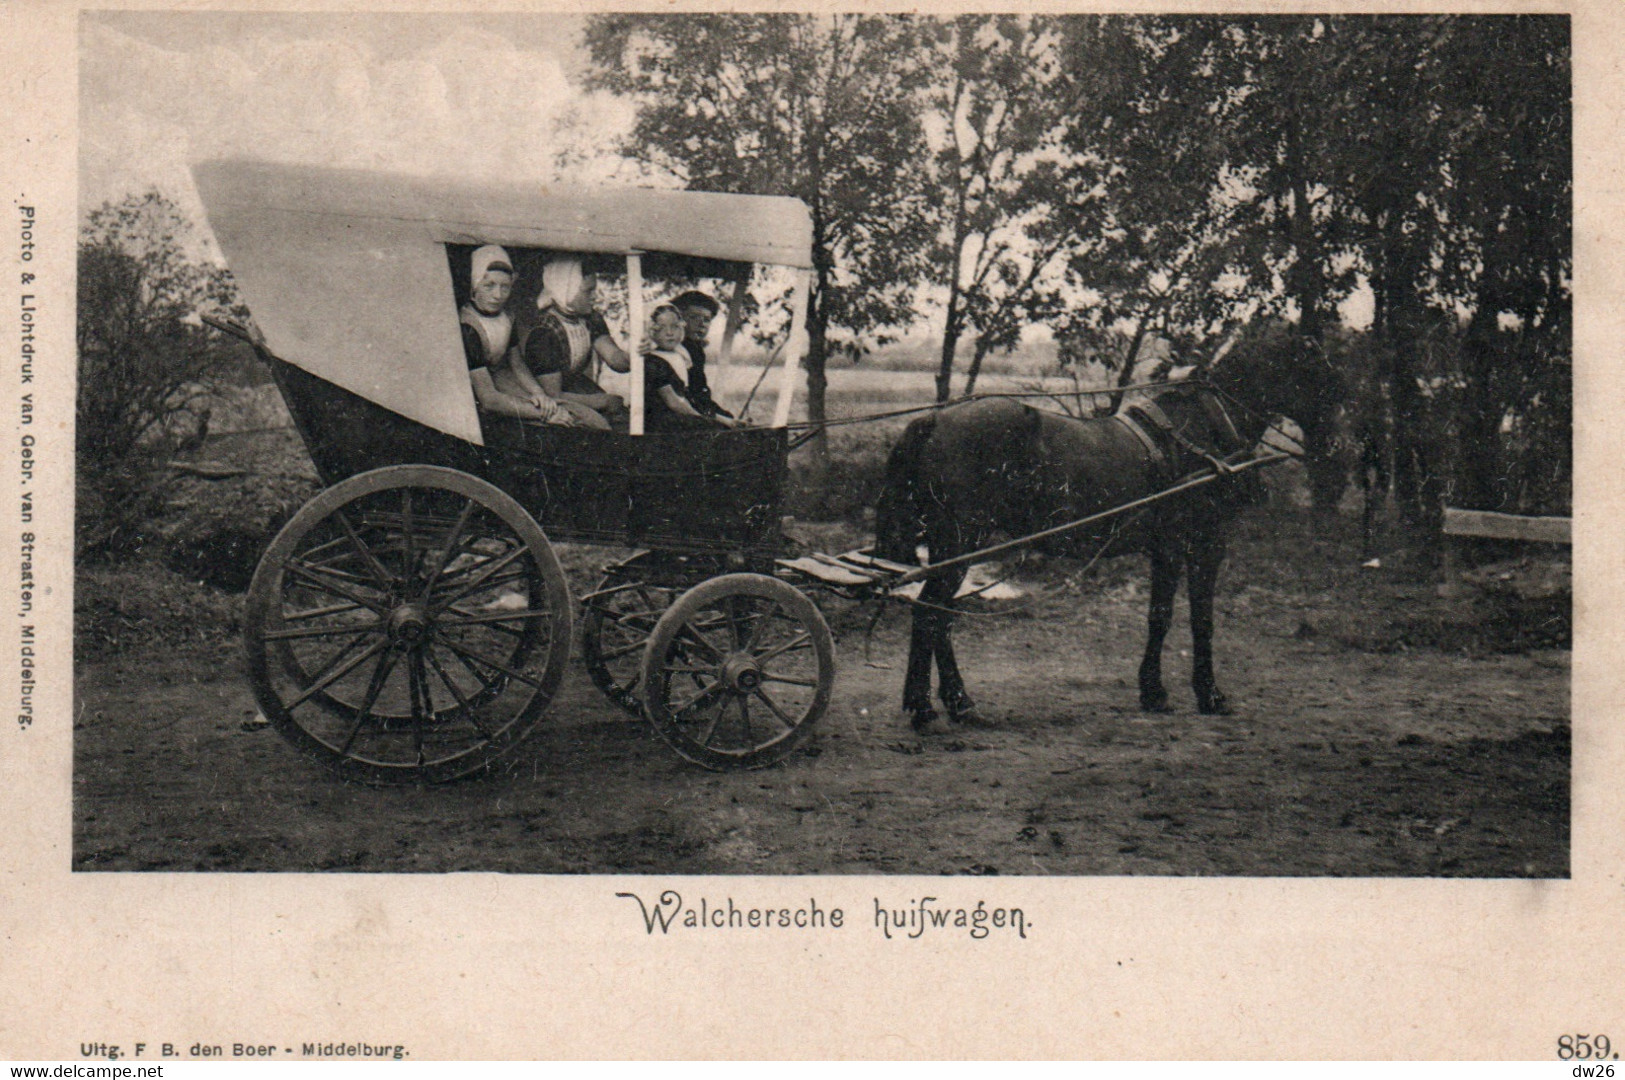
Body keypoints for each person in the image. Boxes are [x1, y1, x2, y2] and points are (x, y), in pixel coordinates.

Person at [459, 245, 578, 426]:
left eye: (505, 287)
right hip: (479, 394)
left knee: (572, 411)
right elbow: (488, 398)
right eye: (489, 286)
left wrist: (538, 393)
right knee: (553, 420)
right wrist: (543, 414)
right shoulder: (468, 326)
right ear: (475, 286)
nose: (498, 295)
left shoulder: (506, 316)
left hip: (503, 379)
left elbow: (516, 362)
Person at [519, 256, 627, 429]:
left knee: (622, 418)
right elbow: (553, 394)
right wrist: (601, 401)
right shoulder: (544, 333)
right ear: (566, 290)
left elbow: (615, 358)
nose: (594, 296)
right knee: (600, 426)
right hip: (550, 399)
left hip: (576, 387)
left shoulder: (590, 319)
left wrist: (635, 356)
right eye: (588, 291)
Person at [640, 304, 740, 433]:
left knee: (724, 425)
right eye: (662, 328)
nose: (670, 333)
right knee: (709, 428)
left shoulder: (681, 356)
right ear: (653, 330)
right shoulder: (653, 362)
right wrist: (704, 418)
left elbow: (688, 398)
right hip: (660, 419)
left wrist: (722, 419)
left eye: (675, 327)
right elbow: (674, 403)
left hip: (681, 413)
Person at [670, 289, 734, 420]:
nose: (701, 324)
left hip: (694, 407)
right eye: (693, 317)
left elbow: (699, 391)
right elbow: (683, 397)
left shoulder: (696, 349)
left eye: (707, 319)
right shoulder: (674, 350)